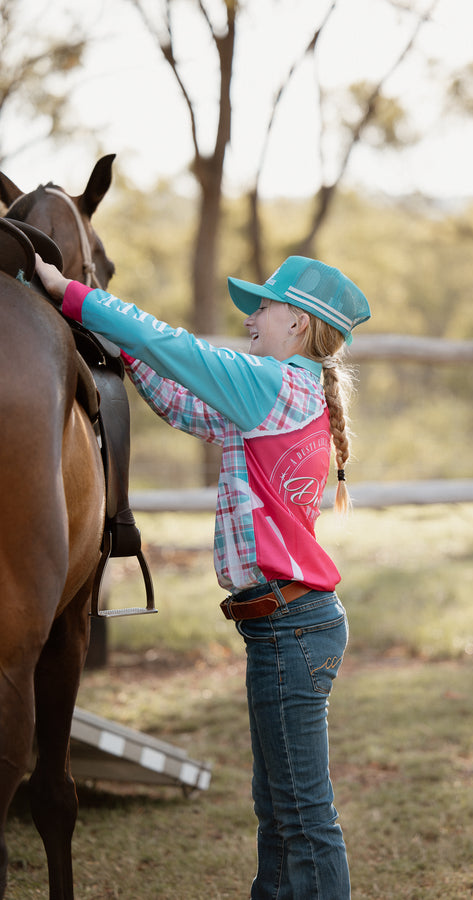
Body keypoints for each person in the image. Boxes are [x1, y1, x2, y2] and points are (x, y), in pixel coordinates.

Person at [36, 252, 371, 900]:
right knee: (280, 814)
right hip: (287, 626)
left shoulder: (270, 386)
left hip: (288, 627)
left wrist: (70, 294)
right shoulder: (285, 394)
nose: (252, 319)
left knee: (302, 820)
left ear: (298, 325)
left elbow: (175, 348)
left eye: (263, 307)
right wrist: (123, 353)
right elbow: (184, 405)